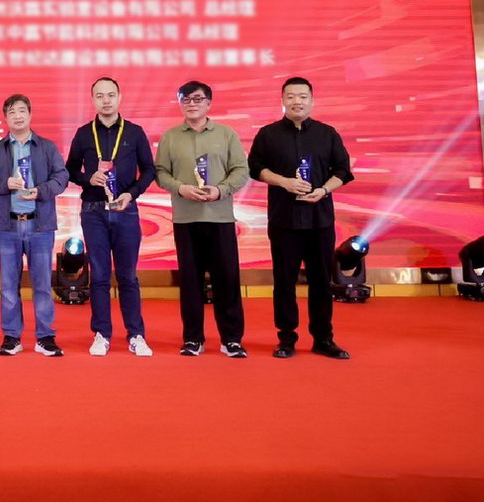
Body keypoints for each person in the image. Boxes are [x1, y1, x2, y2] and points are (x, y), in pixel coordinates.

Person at [248, 77, 355, 360]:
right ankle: (286, 339)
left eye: (303, 96)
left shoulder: (327, 134)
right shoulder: (268, 134)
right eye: (291, 96)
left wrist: (323, 190)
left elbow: (343, 171)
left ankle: (323, 338)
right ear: (283, 100)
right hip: (284, 220)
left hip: (320, 220)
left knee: (321, 282)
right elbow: (255, 168)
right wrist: (284, 182)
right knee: (284, 282)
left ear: (312, 100)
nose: (297, 101)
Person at [155, 80, 250, 358]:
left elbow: (240, 170)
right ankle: (193, 338)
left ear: (209, 103)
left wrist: (221, 190)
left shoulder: (226, 134)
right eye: (185, 99)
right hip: (186, 219)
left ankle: (231, 339)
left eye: (197, 99)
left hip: (220, 218)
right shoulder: (171, 137)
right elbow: (160, 173)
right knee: (190, 281)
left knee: (227, 279)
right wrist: (180, 188)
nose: (192, 104)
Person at [66, 77, 156, 358]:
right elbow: (69, 170)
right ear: (92, 100)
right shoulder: (84, 133)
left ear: (119, 98)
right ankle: (101, 334)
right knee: (100, 275)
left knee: (128, 275)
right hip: (93, 211)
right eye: (100, 96)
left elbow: (149, 170)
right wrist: (87, 178)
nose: (106, 100)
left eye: (111, 95)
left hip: (126, 209)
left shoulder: (135, 132)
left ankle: (136, 334)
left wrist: (132, 194)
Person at [0, 94, 69, 357]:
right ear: (5, 118)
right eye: (12, 112)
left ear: (30, 115)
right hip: (8, 227)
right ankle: (12, 337)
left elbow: (61, 177)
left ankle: (45, 337)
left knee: (42, 285)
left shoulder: (46, 147)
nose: (17, 116)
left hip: (40, 226)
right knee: (8, 286)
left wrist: (41, 191)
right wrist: (4, 184)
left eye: (21, 111)